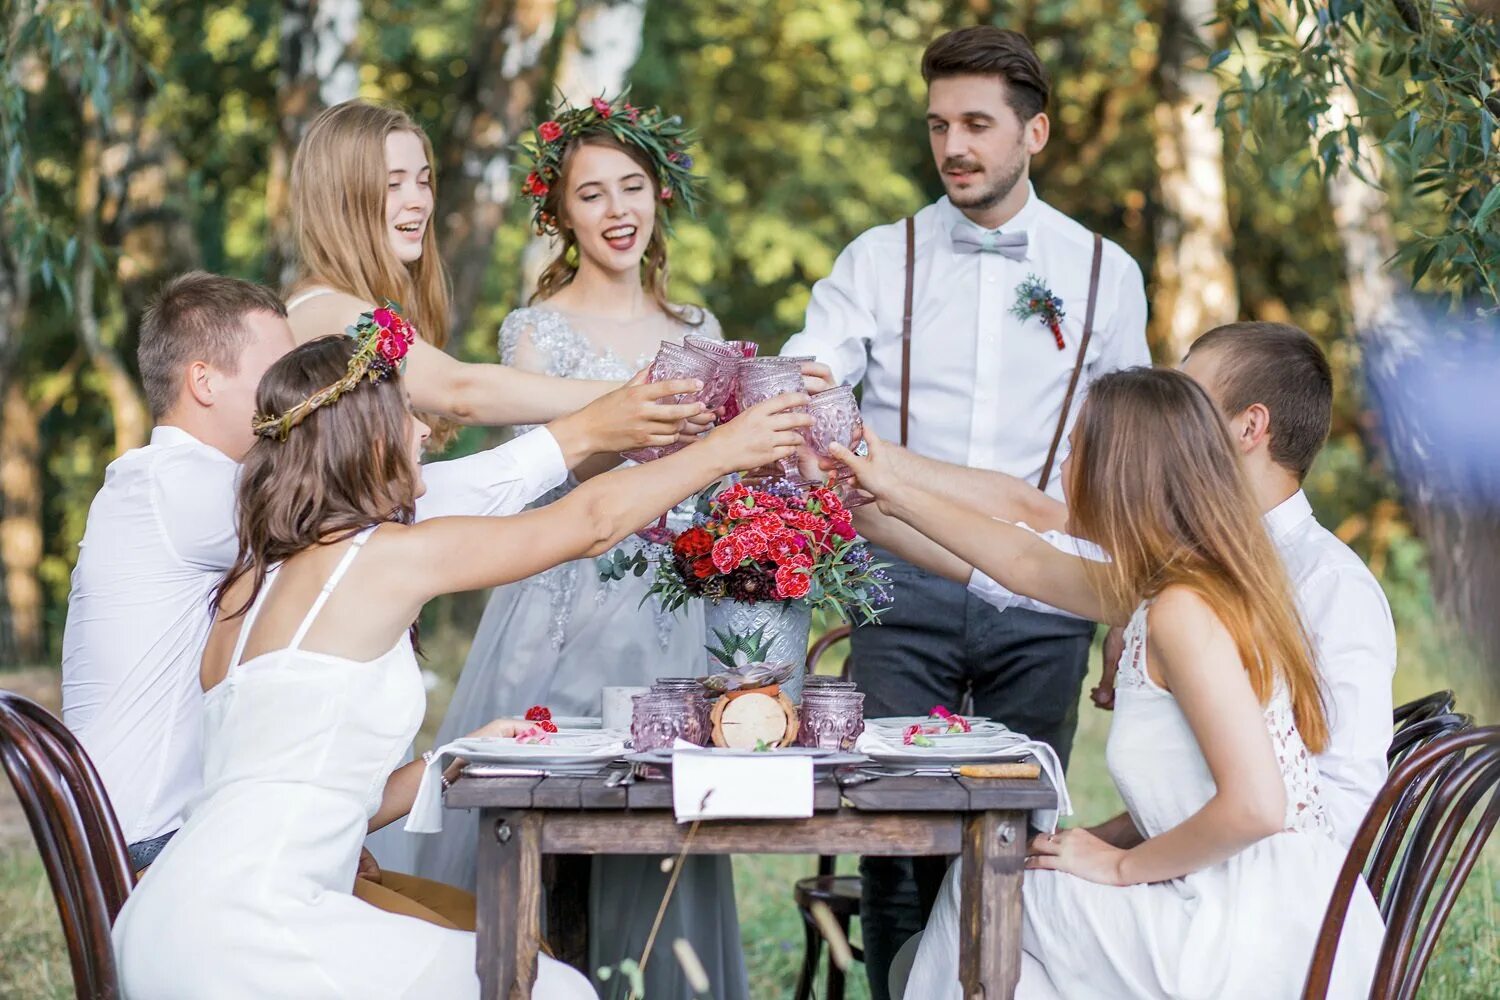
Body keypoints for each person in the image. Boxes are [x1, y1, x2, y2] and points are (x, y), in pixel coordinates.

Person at [110, 315, 810, 999]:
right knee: (555, 987)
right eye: (406, 412)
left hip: (161, 925)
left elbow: (305, 792)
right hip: (250, 933)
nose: (422, 430)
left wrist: (453, 755)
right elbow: (589, 524)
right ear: (365, 436)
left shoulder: (245, 588)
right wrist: (726, 449)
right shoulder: (377, 560)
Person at [60, 272, 703, 924]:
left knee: (485, 929)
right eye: (275, 369)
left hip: (205, 841)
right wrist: (586, 431)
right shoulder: (173, 489)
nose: (295, 393)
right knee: (492, 946)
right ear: (203, 382)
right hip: (152, 859)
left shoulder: (203, 502)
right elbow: (406, 511)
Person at [777, 25, 1150, 993]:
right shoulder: (875, 259)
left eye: (978, 123)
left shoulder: (1107, 274)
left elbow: (1129, 462)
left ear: (1037, 133)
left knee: (1017, 828)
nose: (954, 146)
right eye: (940, 123)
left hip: (1048, 596)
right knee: (898, 837)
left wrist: (1126, 614)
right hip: (903, 582)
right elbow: (809, 384)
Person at [831, 368, 1383, 999]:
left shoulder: (1183, 608)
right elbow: (1022, 561)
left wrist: (1121, 866)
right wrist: (875, 501)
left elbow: (1258, 805)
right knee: (1002, 909)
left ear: (1116, 475)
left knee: (984, 888)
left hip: (1259, 932)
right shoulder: (1175, 587)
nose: (1063, 466)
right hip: (1243, 899)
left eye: (1073, 449)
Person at [414, 93, 749, 1000]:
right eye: (592, 194)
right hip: (570, 605)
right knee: (544, 825)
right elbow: (541, 467)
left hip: (678, 615)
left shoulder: (701, 332)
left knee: (662, 834)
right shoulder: (538, 331)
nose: (617, 211)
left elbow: (717, 479)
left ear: (660, 195)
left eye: (631, 187)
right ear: (559, 213)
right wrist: (625, 432)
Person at [856, 322, 1397, 847]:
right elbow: (1028, 559)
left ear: (1249, 427)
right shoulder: (1185, 562)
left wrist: (1136, 870)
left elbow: (1340, 804)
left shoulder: (1329, 585)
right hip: (1201, 859)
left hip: (1265, 894)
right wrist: (861, 487)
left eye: (1189, 402)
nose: (1170, 419)